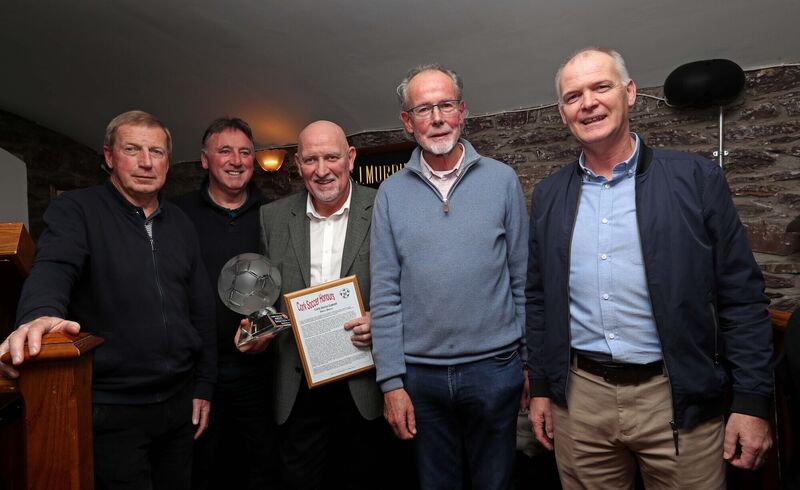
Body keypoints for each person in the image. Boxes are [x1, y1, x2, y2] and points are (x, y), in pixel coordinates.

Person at [526, 47, 774, 489]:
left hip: (677, 395)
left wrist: (752, 402)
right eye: (573, 96)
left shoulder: (696, 180)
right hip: (581, 401)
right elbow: (539, 298)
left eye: (601, 87)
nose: (588, 103)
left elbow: (741, 294)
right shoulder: (549, 196)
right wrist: (543, 388)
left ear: (630, 93)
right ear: (563, 112)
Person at [0, 110, 217, 490]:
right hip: (112, 409)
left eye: (157, 152)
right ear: (109, 156)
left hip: (179, 405)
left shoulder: (182, 223)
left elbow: (201, 311)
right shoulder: (77, 211)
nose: (147, 162)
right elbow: (54, 265)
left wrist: (204, 386)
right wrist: (39, 315)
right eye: (133, 149)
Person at [370, 64, 529, 490]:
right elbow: (385, 294)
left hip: (495, 369)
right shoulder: (390, 194)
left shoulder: (502, 180)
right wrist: (390, 383)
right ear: (408, 122)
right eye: (424, 109)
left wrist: (530, 364)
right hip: (421, 378)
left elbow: (522, 279)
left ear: (463, 110)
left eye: (446, 105)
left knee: (495, 482)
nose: (437, 118)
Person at [242, 120, 385, 490]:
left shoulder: (384, 206)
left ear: (350, 158)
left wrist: (382, 321)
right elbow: (267, 300)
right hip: (298, 382)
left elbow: (410, 285)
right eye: (311, 160)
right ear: (297, 163)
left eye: (332, 157)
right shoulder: (272, 217)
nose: (322, 170)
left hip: (363, 381)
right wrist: (256, 329)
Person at [172, 117, 278, 489]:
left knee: (262, 466)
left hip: (261, 373)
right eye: (225, 151)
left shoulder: (274, 216)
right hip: (198, 374)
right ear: (204, 160)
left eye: (246, 152)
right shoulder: (176, 215)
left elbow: (289, 287)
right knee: (204, 469)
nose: (236, 160)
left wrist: (265, 329)